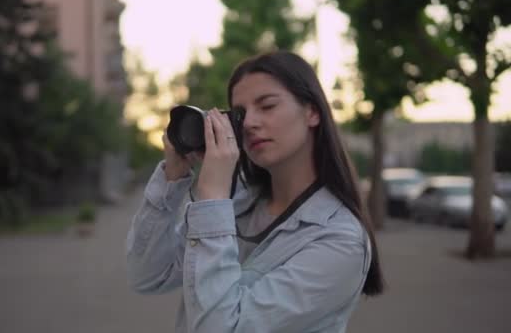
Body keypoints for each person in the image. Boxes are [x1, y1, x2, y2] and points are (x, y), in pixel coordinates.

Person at [126, 50, 384, 333]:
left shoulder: (340, 240)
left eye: (267, 106)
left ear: (311, 112)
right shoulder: (238, 204)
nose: (249, 123)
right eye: (240, 114)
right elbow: (148, 275)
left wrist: (213, 197)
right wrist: (172, 179)